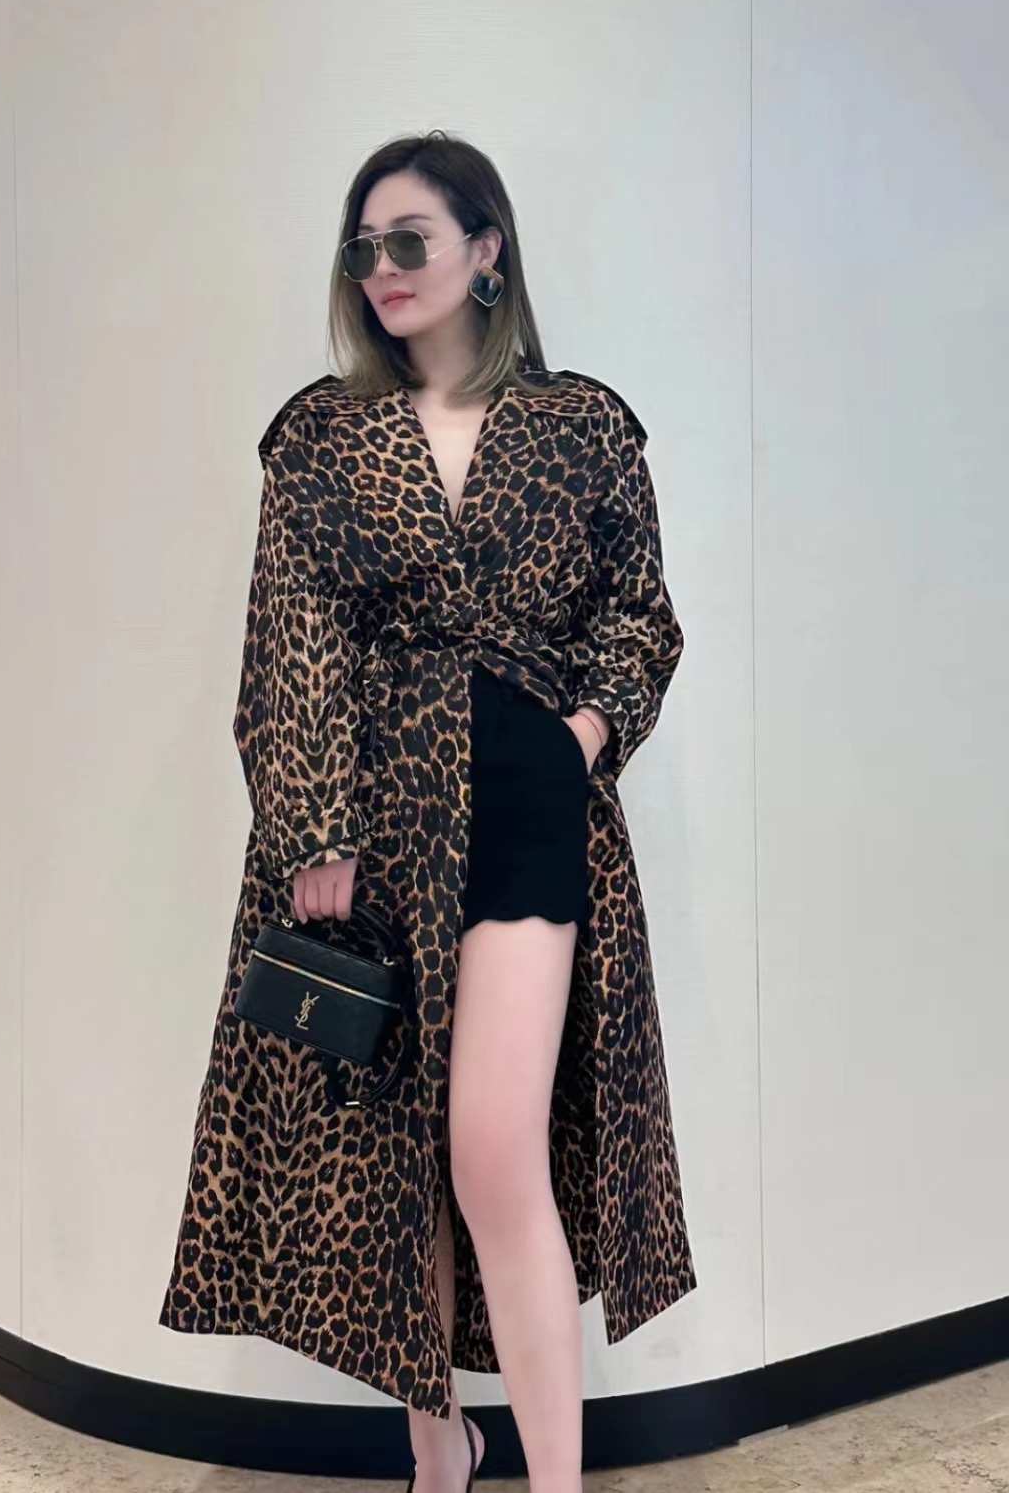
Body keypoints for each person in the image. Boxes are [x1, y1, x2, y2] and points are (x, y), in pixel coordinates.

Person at [159, 129, 697, 1493]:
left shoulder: (582, 425)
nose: (384, 268)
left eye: (411, 240)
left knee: (493, 1149)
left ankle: (555, 1480)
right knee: (392, 1148)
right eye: (366, 247)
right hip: (377, 815)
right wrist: (312, 825)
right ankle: (437, 1441)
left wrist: (577, 740)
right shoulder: (322, 435)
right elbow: (291, 639)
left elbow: (641, 616)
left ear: (486, 249)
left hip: (527, 802)